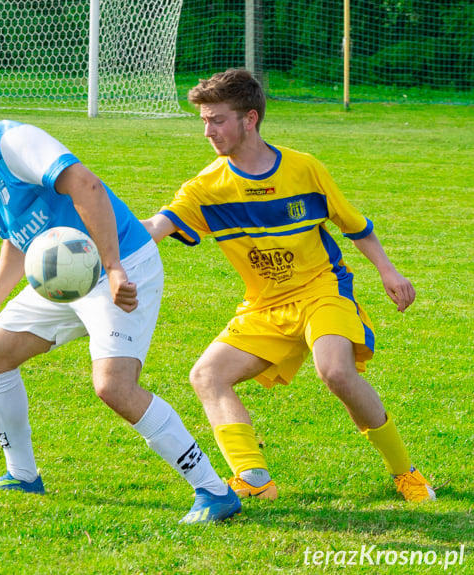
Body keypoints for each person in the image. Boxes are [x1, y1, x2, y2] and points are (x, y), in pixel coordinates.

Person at [0, 83, 241, 524]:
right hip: (64, 276)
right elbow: (16, 238)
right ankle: (22, 475)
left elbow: (86, 185)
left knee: (114, 387)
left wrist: (115, 266)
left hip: (121, 265)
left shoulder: (14, 143)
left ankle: (214, 491)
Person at [142, 68, 435, 503]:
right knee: (207, 375)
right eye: (203, 120)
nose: (207, 131)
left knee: (336, 372)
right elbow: (155, 226)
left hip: (322, 289)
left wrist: (389, 273)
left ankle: (405, 473)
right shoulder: (206, 188)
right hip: (264, 305)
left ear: (250, 119)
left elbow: (356, 227)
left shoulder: (304, 169)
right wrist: (100, 234)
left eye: (216, 119)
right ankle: (254, 479)